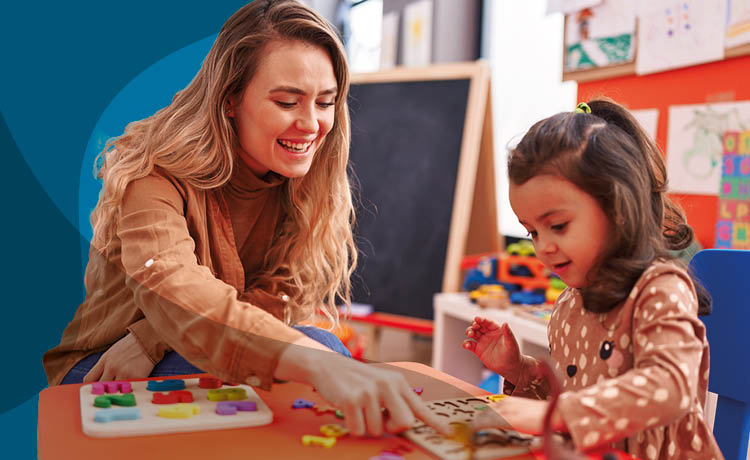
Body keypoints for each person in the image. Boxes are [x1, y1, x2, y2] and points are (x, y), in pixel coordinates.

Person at [43, 0, 450, 438]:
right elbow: (172, 286)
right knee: (320, 350)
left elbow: (273, 296)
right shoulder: (152, 171)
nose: (311, 124)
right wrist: (314, 360)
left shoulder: (302, 182)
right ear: (231, 99)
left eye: (325, 102)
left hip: (178, 349)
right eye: (287, 101)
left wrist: (152, 338)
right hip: (102, 366)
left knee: (321, 353)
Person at [463, 100, 723, 459]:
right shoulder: (572, 299)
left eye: (557, 226)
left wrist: (553, 414)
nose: (544, 247)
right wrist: (519, 370)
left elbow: (670, 386)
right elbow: (575, 395)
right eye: (532, 233)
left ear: (618, 209)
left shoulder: (661, 288)